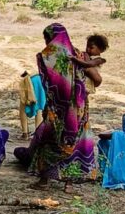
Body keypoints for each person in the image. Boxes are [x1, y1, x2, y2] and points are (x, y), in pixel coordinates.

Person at [14, 23, 98, 192]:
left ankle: (44, 181)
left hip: (57, 111)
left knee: (49, 142)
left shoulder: (47, 57)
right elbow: (98, 79)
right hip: (78, 110)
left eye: (47, 39)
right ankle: (69, 184)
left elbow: (49, 85)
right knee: (74, 143)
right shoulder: (79, 55)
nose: (46, 43)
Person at [18, 70, 46, 140]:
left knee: (23, 106)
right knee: (39, 107)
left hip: (28, 78)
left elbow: (22, 72)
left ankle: (25, 133)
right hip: (40, 78)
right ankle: (37, 134)